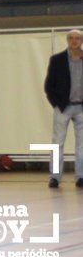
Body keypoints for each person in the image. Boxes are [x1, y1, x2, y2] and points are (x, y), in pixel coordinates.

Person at [45, 29, 83, 189]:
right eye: (71, 38)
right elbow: (48, 85)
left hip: (81, 107)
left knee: (82, 145)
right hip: (63, 107)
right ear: (67, 40)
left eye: (77, 38)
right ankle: (55, 177)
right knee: (57, 143)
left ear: (81, 41)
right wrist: (57, 104)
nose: (74, 41)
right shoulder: (57, 60)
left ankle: (81, 176)